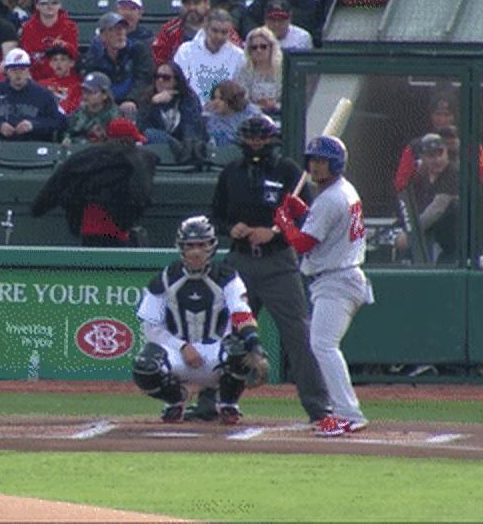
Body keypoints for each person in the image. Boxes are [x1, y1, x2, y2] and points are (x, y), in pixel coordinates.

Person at [210, 114, 335, 426]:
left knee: (299, 336)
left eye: (260, 138)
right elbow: (217, 216)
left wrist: (276, 232)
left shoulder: (290, 172)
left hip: (279, 262)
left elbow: (307, 216)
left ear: (271, 139)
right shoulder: (231, 173)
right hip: (239, 260)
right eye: (250, 138)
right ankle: (214, 401)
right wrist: (232, 227)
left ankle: (319, 407)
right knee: (227, 332)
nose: (255, 144)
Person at [272, 135, 373, 436]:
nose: (315, 167)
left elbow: (303, 242)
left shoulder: (330, 198)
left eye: (321, 161)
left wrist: (285, 222)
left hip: (337, 279)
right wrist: (301, 211)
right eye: (313, 161)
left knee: (323, 346)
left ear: (336, 163)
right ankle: (346, 412)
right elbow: (324, 226)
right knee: (323, 345)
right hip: (339, 276)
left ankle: (348, 413)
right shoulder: (340, 191)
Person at [129, 214, 268, 424]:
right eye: (190, 245)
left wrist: (254, 344)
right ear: (181, 247)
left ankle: (228, 403)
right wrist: (182, 346)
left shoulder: (227, 276)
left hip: (216, 352)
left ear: (211, 246)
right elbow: (151, 327)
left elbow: (241, 313)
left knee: (242, 351)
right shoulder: (165, 278)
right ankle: (176, 400)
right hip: (177, 352)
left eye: (201, 245)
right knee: (144, 365)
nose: (195, 252)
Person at [32, 117, 157, 247]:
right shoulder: (137, 161)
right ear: (127, 141)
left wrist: (38, 209)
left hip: (89, 227)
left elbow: (55, 186)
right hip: (116, 230)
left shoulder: (83, 159)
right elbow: (141, 195)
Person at [393, 93, 483, 193]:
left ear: (454, 116)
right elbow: (401, 183)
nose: (442, 119)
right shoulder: (415, 146)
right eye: (438, 114)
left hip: (459, 200)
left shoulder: (472, 145)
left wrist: (460, 152)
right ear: (431, 116)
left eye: (447, 115)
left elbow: (480, 177)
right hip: (425, 201)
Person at [0, 48, 65, 142]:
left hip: (34, 145)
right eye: (14, 70)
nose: (18, 74)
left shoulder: (44, 95)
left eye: (22, 69)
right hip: (2, 145)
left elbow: (57, 122)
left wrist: (33, 125)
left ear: (28, 70)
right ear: (6, 71)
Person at [395, 133, 459, 264]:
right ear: (422, 158)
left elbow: (436, 210)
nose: (437, 160)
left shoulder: (452, 173)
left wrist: (411, 233)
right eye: (431, 156)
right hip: (437, 244)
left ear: (446, 153)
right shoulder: (420, 176)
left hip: (459, 250)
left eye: (440, 154)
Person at [80, 11, 154, 119]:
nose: (120, 33)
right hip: (106, 103)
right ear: (102, 36)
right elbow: (93, 83)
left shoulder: (138, 49)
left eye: (122, 28)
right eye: (113, 29)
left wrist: (131, 99)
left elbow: (143, 79)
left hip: (135, 103)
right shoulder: (95, 56)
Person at [173, 8, 246, 108]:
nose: (219, 36)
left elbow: (240, 91)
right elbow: (179, 84)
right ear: (205, 28)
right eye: (215, 31)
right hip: (192, 110)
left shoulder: (238, 55)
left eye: (224, 32)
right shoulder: (186, 50)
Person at [138, 60, 205, 152]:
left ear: (176, 81)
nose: (160, 80)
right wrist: (153, 103)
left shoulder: (188, 98)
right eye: (157, 76)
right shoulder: (148, 98)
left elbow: (191, 125)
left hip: (186, 145)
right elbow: (141, 128)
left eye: (166, 78)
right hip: (157, 149)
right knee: (150, 133)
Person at [18, 0, 78, 81]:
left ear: (60, 5)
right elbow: (28, 56)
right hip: (36, 79)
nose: (50, 6)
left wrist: (63, 44)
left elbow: (73, 55)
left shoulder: (69, 26)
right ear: (37, 6)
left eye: (54, 3)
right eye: (44, 3)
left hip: (63, 79)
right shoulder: (28, 27)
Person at [152, 0, 211, 66]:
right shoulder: (169, 29)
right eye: (187, 3)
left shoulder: (219, 27)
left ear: (207, 4)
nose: (191, 8)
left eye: (196, 3)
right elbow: (158, 60)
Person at [233, 26, 283, 119]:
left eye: (263, 47)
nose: (259, 50)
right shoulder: (243, 70)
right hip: (250, 117)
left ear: (271, 47)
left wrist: (274, 105)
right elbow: (240, 100)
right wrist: (258, 105)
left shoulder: (283, 70)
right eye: (254, 47)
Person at [66, 72, 120, 142]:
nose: (85, 96)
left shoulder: (114, 115)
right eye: (84, 91)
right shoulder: (78, 112)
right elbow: (69, 133)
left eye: (91, 92)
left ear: (105, 95)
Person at [204, 79, 255, 148]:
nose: (216, 102)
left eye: (221, 99)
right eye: (214, 98)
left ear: (232, 99)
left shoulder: (250, 116)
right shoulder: (211, 119)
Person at [38, 40, 81, 114]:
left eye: (63, 59)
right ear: (50, 63)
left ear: (72, 63)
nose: (58, 63)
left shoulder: (78, 86)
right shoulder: (41, 84)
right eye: (55, 59)